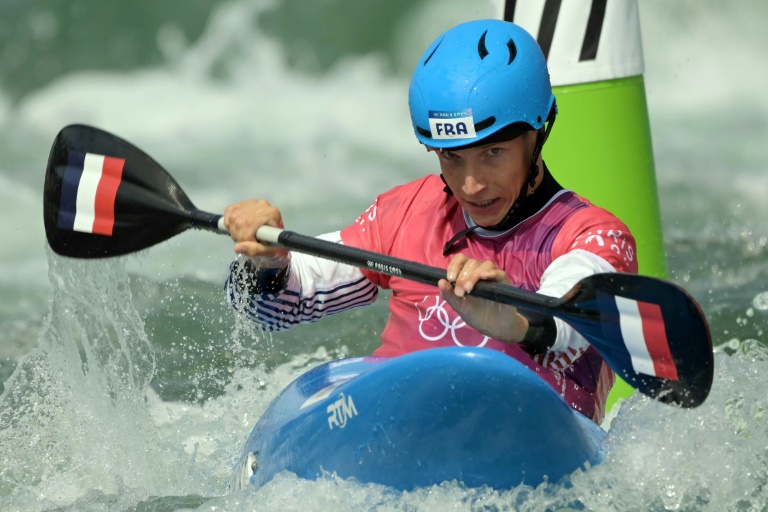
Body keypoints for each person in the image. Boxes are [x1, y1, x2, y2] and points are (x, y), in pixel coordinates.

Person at [223, 19, 637, 425]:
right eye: (451, 157)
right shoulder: (410, 211)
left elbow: (571, 316)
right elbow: (272, 311)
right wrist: (270, 262)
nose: (471, 185)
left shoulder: (594, 237)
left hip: (527, 435)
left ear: (538, 132)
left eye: (493, 152)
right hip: (391, 427)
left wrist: (514, 322)